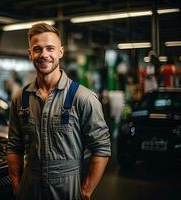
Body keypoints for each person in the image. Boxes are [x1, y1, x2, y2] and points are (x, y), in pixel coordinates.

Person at [7, 22, 111, 200]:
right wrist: (17, 186)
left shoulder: (83, 98)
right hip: (29, 189)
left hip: (67, 188)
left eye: (50, 48)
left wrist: (85, 191)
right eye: (38, 49)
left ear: (60, 52)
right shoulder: (20, 99)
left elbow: (101, 148)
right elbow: (14, 147)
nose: (44, 54)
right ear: (30, 53)